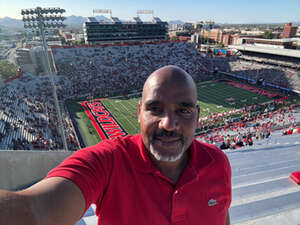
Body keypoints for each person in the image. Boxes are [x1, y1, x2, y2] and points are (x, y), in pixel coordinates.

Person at [0, 65, 231, 225]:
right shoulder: (107, 161)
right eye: (155, 109)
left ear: (197, 116)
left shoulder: (217, 162)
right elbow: (35, 211)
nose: (169, 124)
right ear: (139, 112)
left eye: (184, 110)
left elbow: (221, 215)